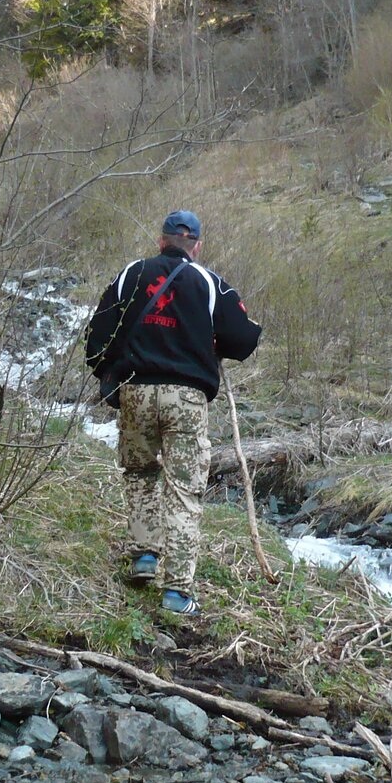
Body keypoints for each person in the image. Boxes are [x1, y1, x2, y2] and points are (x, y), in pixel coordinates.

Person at [85, 210, 262, 615]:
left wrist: (109, 374)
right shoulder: (208, 282)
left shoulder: (131, 273)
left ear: (161, 240)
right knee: (184, 491)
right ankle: (178, 592)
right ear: (196, 246)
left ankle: (145, 556)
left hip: (136, 394)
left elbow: (97, 334)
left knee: (140, 473)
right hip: (187, 401)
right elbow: (244, 338)